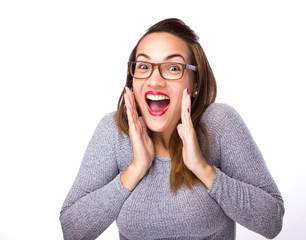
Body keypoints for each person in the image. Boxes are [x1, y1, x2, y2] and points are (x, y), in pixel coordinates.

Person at [59, 18, 284, 240]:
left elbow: (272, 220)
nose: (155, 81)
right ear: (132, 80)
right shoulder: (115, 131)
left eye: (173, 67)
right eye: (144, 66)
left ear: (195, 83)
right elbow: (72, 229)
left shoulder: (219, 123)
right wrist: (136, 168)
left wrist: (202, 169)